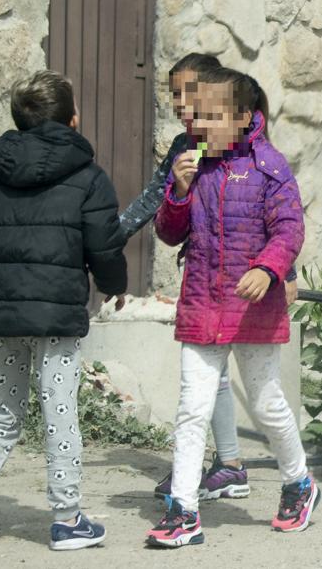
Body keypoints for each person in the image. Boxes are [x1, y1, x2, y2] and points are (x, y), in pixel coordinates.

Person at [0, 70, 126, 550]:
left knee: (2, 406)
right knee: (58, 409)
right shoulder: (88, 176)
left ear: (18, 120)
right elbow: (104, 246)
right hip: (56, 318)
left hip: (3, 316)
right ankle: (67, 518)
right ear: (74, 119)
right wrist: (114, 286)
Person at [145, 67, 318, 547]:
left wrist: (268, 268)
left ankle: (299, 481)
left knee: (266, 404)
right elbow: (169, 233)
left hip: (253, 310)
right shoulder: (191, 163)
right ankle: (183, 510)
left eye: (213, 116)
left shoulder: (269, 166)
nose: (200, 126)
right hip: (203, 305)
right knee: (191, 409)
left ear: (244, 117)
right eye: (195, 116)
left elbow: (289, 230)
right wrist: (176, 195)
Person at [118, 53, 259, 503]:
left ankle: (232, 465)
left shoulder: (237, 145)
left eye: (189, 93)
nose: (180, 103)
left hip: (240, 278)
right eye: (174, 94)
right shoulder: (186, 145)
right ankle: (219, 465)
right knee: (206, 375)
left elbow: (269, 211)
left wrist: (284, 271)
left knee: (244, 385)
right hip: (203, 276)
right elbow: (154, 204)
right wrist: (106, 239)